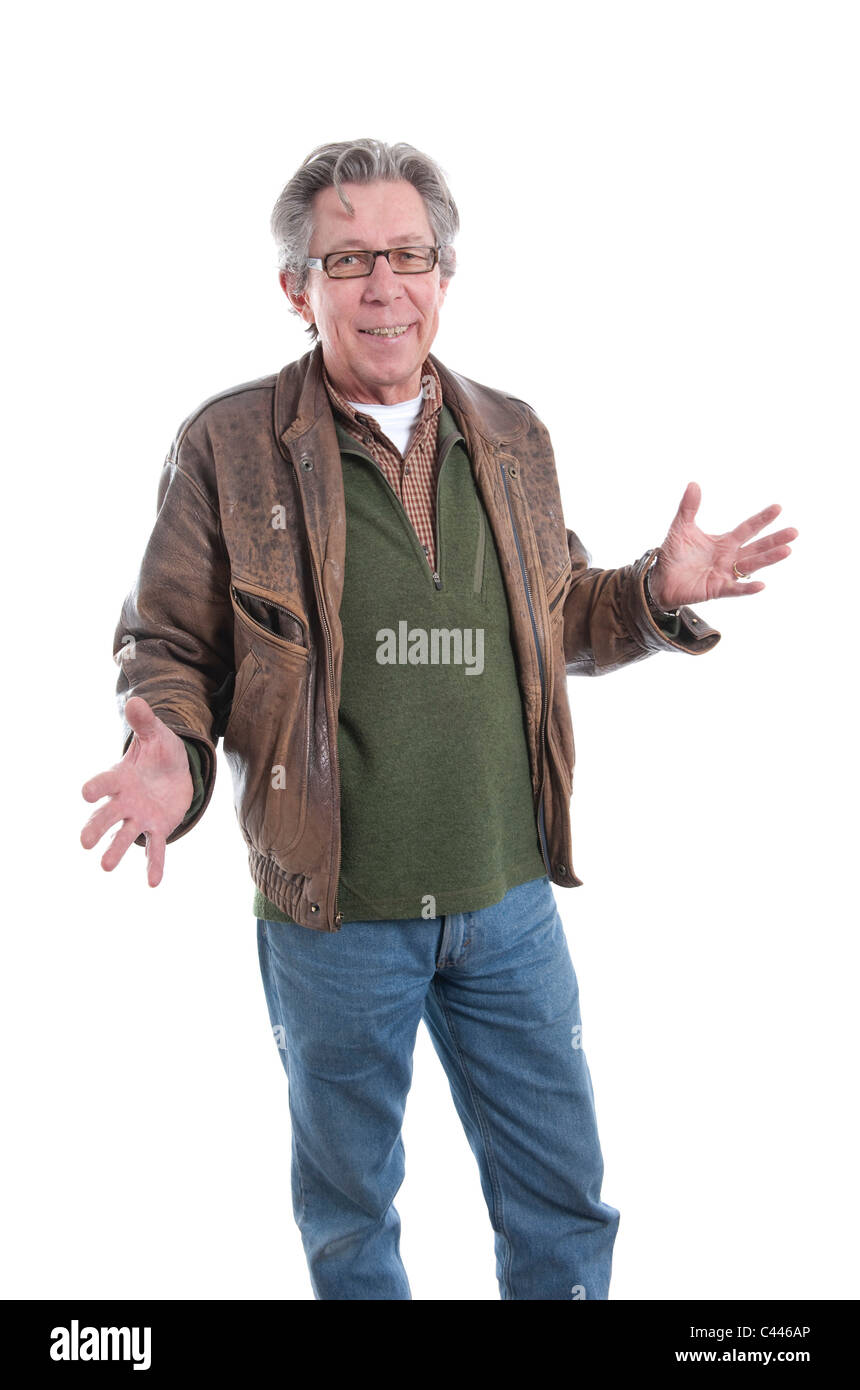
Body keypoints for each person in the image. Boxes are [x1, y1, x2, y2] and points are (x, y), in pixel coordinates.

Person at [80, 138, 798, 1301]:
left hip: (507, 902)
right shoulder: (227, 444)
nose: (383, 286)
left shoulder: (510, 434)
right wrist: (168, 750)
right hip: (331, 916)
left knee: (564, 1196)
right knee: (351, 1219)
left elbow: (557, 616)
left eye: (409, 254)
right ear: (294, 288)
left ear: (443, 274)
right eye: (347, 257)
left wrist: (653, 596)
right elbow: (169, 646)